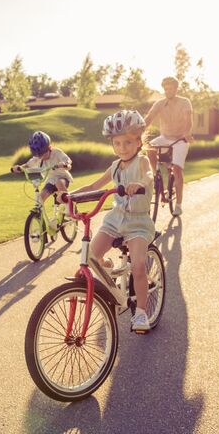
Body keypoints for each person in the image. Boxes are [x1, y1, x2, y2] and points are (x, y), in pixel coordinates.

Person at [69, 110, 155, 332]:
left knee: (137, 266)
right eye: (117, 143)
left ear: (138, 141)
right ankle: (111, 276)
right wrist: (70, 196)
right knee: (91, 256)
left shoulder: (142, 161)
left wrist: (140, 184)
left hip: (138, 222)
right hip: (115, 220)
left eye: (127, 142)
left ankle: (141, 313)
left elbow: (149, 175)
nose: (122, 147)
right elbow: (93, 186)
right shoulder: (115, 166)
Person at [144, 76, 193, 216]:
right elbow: (149, 118)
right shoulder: (160, 103)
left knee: (177, 169)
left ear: (176, 89)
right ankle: (155, 173)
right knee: (150, 148)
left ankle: (178, 205)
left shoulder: (185, 102)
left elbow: (188, 121)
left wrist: (187, 133)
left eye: (170, 88)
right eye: (165, 89)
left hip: (180, 140)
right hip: (165, 138)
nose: (167, 91)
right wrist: (137, 132)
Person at [11, 130, 73, 204]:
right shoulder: (37, 157)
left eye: (43, 154)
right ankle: (38, 213)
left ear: (49, 148)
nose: (41, 157)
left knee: (59, 183)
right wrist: (19, 167)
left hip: (62, 178)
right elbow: (28, 165)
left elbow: (68, 162)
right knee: (40, 198)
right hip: (50, 181)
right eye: (39, 155)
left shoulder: (56, 152)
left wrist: (65, 165)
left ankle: (70, 205)